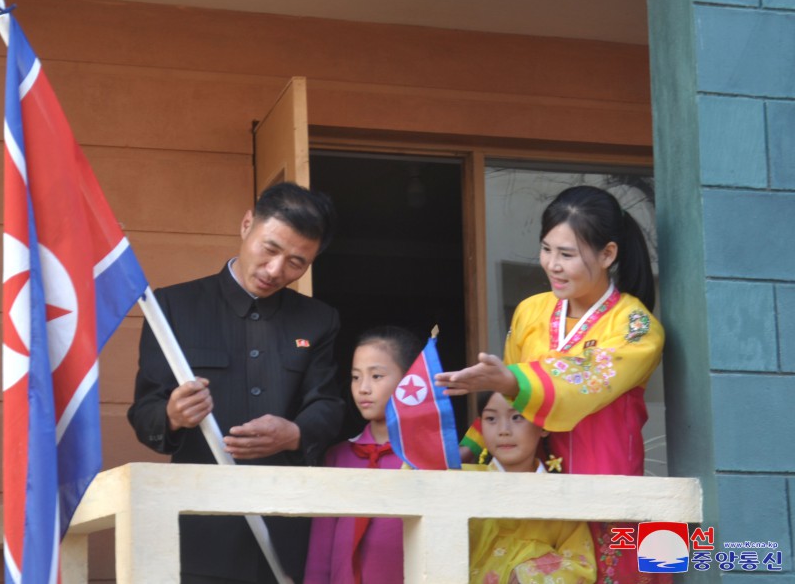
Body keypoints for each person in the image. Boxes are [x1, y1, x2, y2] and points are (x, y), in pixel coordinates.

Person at [435, 185, 665, 582]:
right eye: (547, 250)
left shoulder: (636, 325)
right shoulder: (531, 311)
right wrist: (466, 451)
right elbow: (509, 403)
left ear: (608, 254)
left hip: (607, 480)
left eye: (567, 254)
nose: (552, 265)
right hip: (537, 482)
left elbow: (587, 382)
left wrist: (510, 378)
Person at [128, 182, 344, 584]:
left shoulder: (319, 320)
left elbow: (328, 405)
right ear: (247, 225)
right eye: (271, 249)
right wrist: (172, 415)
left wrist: (295, 433)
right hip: (200, 531)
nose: (277, 270)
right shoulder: (173, 306)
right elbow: (144, 413)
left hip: (287, 528)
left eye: (297, 262)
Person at [304, 326, 423, 584]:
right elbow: (320, 550)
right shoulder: (338, 457)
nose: (363, 388)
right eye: (356, 377)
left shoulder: (427, 458)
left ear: (410, 380)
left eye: (377, 376)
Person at [467, 391, 596, 584]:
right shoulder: (464, 480)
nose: (503, 430)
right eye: (491, 418)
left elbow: (582, 567)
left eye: (517, 417)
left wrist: (528, 575)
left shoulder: (562, 496)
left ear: (543, 424)